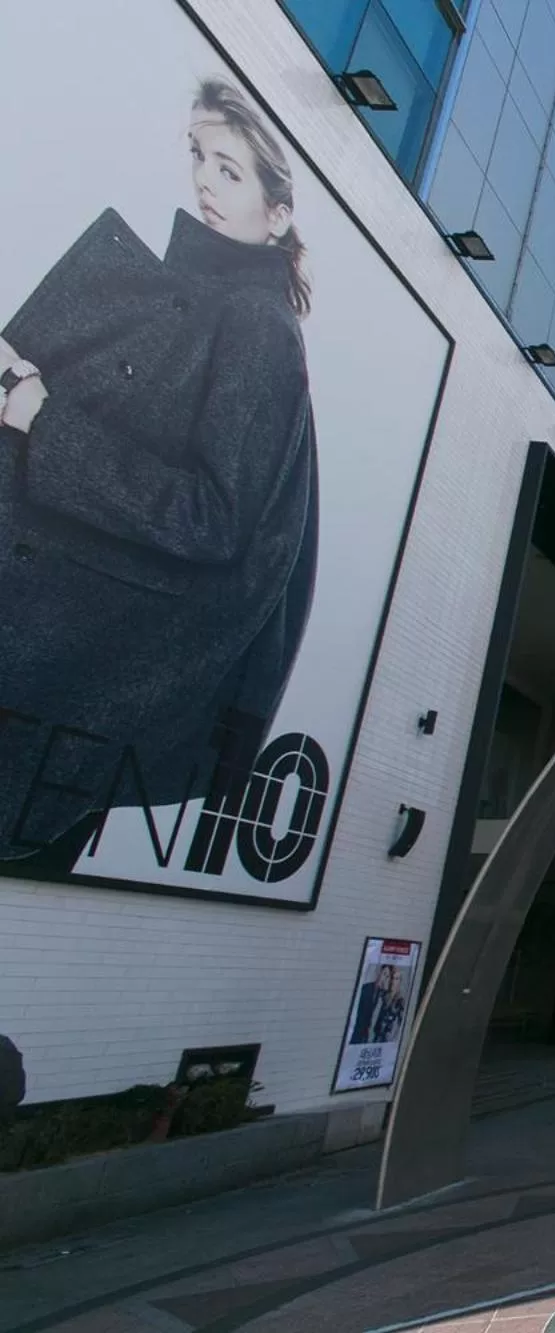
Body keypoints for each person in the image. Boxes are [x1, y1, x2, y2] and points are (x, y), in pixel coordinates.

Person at [0, 77, 319, 862]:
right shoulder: (202, 304)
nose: (205, 182)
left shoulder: (257, 326)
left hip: (70, 687)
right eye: (200, 157)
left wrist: (44, 417)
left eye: (231, 171)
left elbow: (210, 516)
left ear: (278, 216)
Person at [350, 964, 396, 1045]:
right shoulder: (365, 989)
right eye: (384, 974)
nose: (384, 978)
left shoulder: (384, 997)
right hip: (357, 1036)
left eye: (388, 977)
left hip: (370, 1039)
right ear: (379, 973)